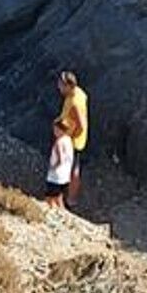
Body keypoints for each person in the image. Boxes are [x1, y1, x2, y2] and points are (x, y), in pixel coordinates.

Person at [53, 70, 90, 211]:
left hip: (73, 142)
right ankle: (70, 198)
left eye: (61, 85)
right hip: (75, 139)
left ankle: (68, 200)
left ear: (68, 86)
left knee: (70, 169)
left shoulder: (75, 102)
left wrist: (67, 137)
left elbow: (81, 125)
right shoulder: (78, 93)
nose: (58, 87)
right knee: (73, 167)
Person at [43, 123, 76, 211]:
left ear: (61, 130)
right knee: (59, 198)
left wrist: (53, 167)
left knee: (49, 198)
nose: (54, 132)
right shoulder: (69, 140)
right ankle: (63, 214)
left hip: (56, 176)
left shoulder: (59, 142)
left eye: (56, 130)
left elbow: (60, 158)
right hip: (65, 176)